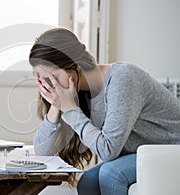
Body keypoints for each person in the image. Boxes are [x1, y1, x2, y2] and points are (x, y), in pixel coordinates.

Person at [28, 27, 180, 195]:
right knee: (87, 182)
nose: (49, 85)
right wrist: (57, 104)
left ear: (76, 67)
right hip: (145, 153)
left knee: (111, 174)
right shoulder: (75, 92)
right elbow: (42, 152)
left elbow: (108, 151)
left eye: (53, 77)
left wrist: (69, 109)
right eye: (43, 80)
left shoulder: (123, 78)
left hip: (172, 151)